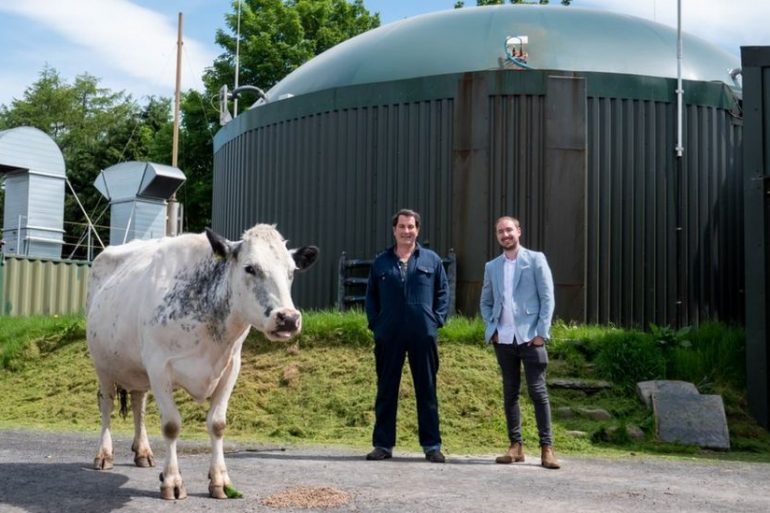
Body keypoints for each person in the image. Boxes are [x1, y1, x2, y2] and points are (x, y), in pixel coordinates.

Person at [364, 208, 449, 463]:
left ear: (417, 229)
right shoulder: (381, 262)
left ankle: (432, 446)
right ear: (394, 230)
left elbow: (443, 293)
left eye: (411, 227)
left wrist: (436, 321)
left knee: (427, 389)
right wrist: (376, 326)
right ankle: (383, 444)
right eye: (402, 227)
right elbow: (371, 298)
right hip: (389, 335)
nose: (406, 231)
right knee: (386, 389)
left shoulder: (431, 260)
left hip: (422, 334)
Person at [479, 216, 560, 469]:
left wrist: (541, 333)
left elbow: (548, 299)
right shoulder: (492, 266)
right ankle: (516, 447)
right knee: (509, 393)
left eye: (509, 230)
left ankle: (547, 448)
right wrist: (491, 328)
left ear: (519, 232)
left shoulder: (536, 260)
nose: (505, 235)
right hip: (503, 340)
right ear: (497, 236)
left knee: (538, 393)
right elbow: (486, 301)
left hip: (530, 339)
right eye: (500, 231)